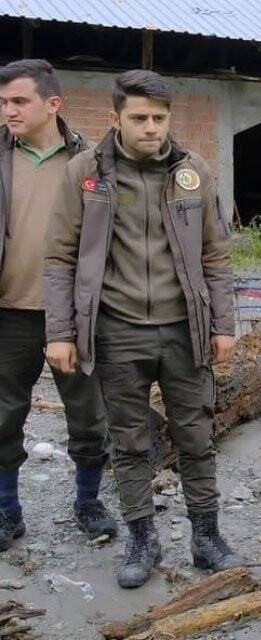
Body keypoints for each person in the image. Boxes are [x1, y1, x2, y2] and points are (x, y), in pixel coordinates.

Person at [45, 70, 246, 589]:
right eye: (139, 118)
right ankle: (142, 538)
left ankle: (207, 536)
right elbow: (61, 258)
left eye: (159, 118)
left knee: (197, 435)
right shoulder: (84, 174)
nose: (151, 127)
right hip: (117, 331)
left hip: (185, 329)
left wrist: (224, 324)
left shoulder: (193, 172)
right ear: (115, 118)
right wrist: (61, 332)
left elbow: (216, 256)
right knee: (129, 442)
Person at [0, 59, 117, 551]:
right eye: (3, 102)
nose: (8, 111)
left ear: (53, 104)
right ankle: (7, 511)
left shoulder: (91, 163)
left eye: (19, 101)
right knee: (4, 415)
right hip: (9, 312)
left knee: (89, 416)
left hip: (75, 316)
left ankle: (88, 501)